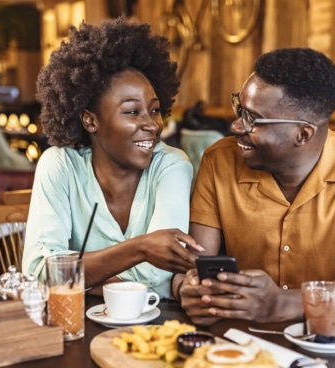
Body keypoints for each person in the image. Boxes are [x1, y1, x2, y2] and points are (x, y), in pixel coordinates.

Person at [175, 48, 335, 324]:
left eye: (252, 119)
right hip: (244, 331)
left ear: (303, 134)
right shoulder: (219, 160)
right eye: (239, 109)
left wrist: (287, 303)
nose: (236, 127)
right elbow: (198, 266)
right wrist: (190, 289)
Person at [22, 18, 203, 298]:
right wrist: (141, 248)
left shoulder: (172, 166)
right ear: (90, 121)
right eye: (132, 112)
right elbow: (38, 273)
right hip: (75, 320)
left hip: (153, 320)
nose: (152, 124)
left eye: (155, 110)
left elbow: (159, 275)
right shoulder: (60, 165)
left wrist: (77, 279)